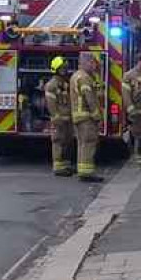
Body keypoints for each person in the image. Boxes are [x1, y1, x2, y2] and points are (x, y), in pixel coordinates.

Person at [70, 52, 104, 183]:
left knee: (82, 144)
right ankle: (87, 174)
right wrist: (97, 116)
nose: (94, 65)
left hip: (78, 117)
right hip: (86, 117)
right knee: (89, 143)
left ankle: (83, 171)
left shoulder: (75, 76)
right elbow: (90, 99)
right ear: (85, 63)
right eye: (92, 63)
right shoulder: (85, 78)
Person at [44, 56, 74, 177]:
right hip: (59, 119)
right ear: (56, 69)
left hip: (67, 118)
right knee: (58, 141)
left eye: (66, 68)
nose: (65, 70)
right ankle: (58, 168)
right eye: (63, 68)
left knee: (68, 141)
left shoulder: (64, 83)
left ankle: (66, 166)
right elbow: (51, 104)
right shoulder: (52, 85)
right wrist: (56, 118)